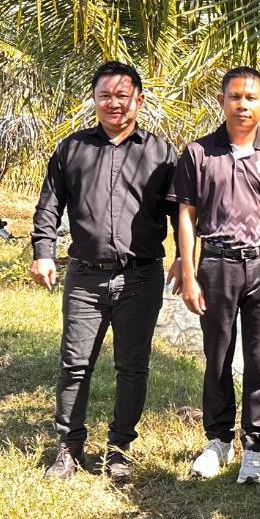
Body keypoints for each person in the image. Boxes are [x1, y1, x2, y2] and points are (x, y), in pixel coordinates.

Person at [30, 61, 182, 486]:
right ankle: (69, 447)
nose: (114, 104)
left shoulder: (161, 153)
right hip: (85, 277)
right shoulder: (71, 149)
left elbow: (180, 212)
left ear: (139, 100)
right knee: (74, 364)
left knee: (132, 367)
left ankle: (119, 449)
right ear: (94, 100)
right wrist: (43, 252)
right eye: (105, 96)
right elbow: (49, 205)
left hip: (141, 277)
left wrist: (185, 257)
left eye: (122, 96)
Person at [173, 67, 260, 484]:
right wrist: (190, 273)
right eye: (234, 97)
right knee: (217, 355)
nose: (242, 105)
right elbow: (186, 216)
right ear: (222, 102)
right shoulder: (198, 153)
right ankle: (218, 441)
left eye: (251, 98)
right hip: (217, 265)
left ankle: (255, 447)